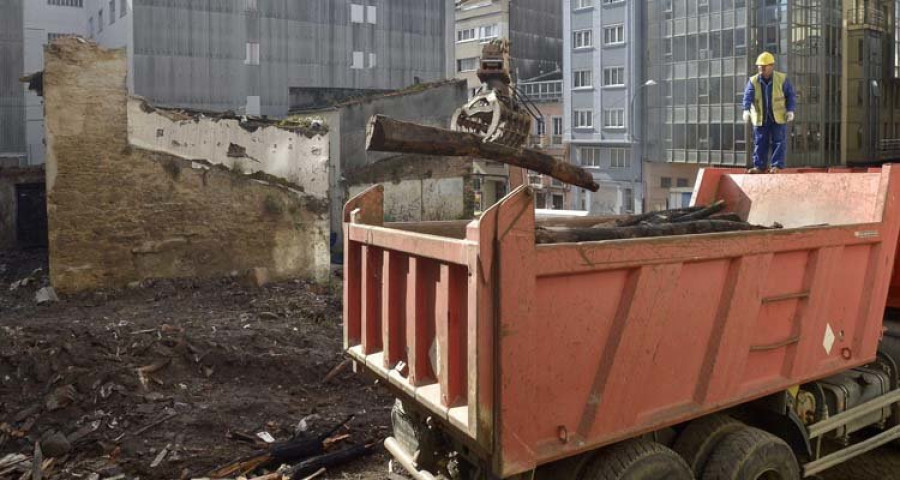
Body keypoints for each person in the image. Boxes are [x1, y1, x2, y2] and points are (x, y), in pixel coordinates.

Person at [742, 52, 796, 173]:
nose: (761, 69)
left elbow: (791, 95)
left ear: (771, 66)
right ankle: (759, 167)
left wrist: (790, 110)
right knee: (760, 142)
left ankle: (776, 166)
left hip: (777, 117)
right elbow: (748, 96)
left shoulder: (782, 79)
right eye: (759, 66)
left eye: (764, 66)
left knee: (779, 141)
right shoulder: (753, 81)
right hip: (761, 118)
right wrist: (746, 110)